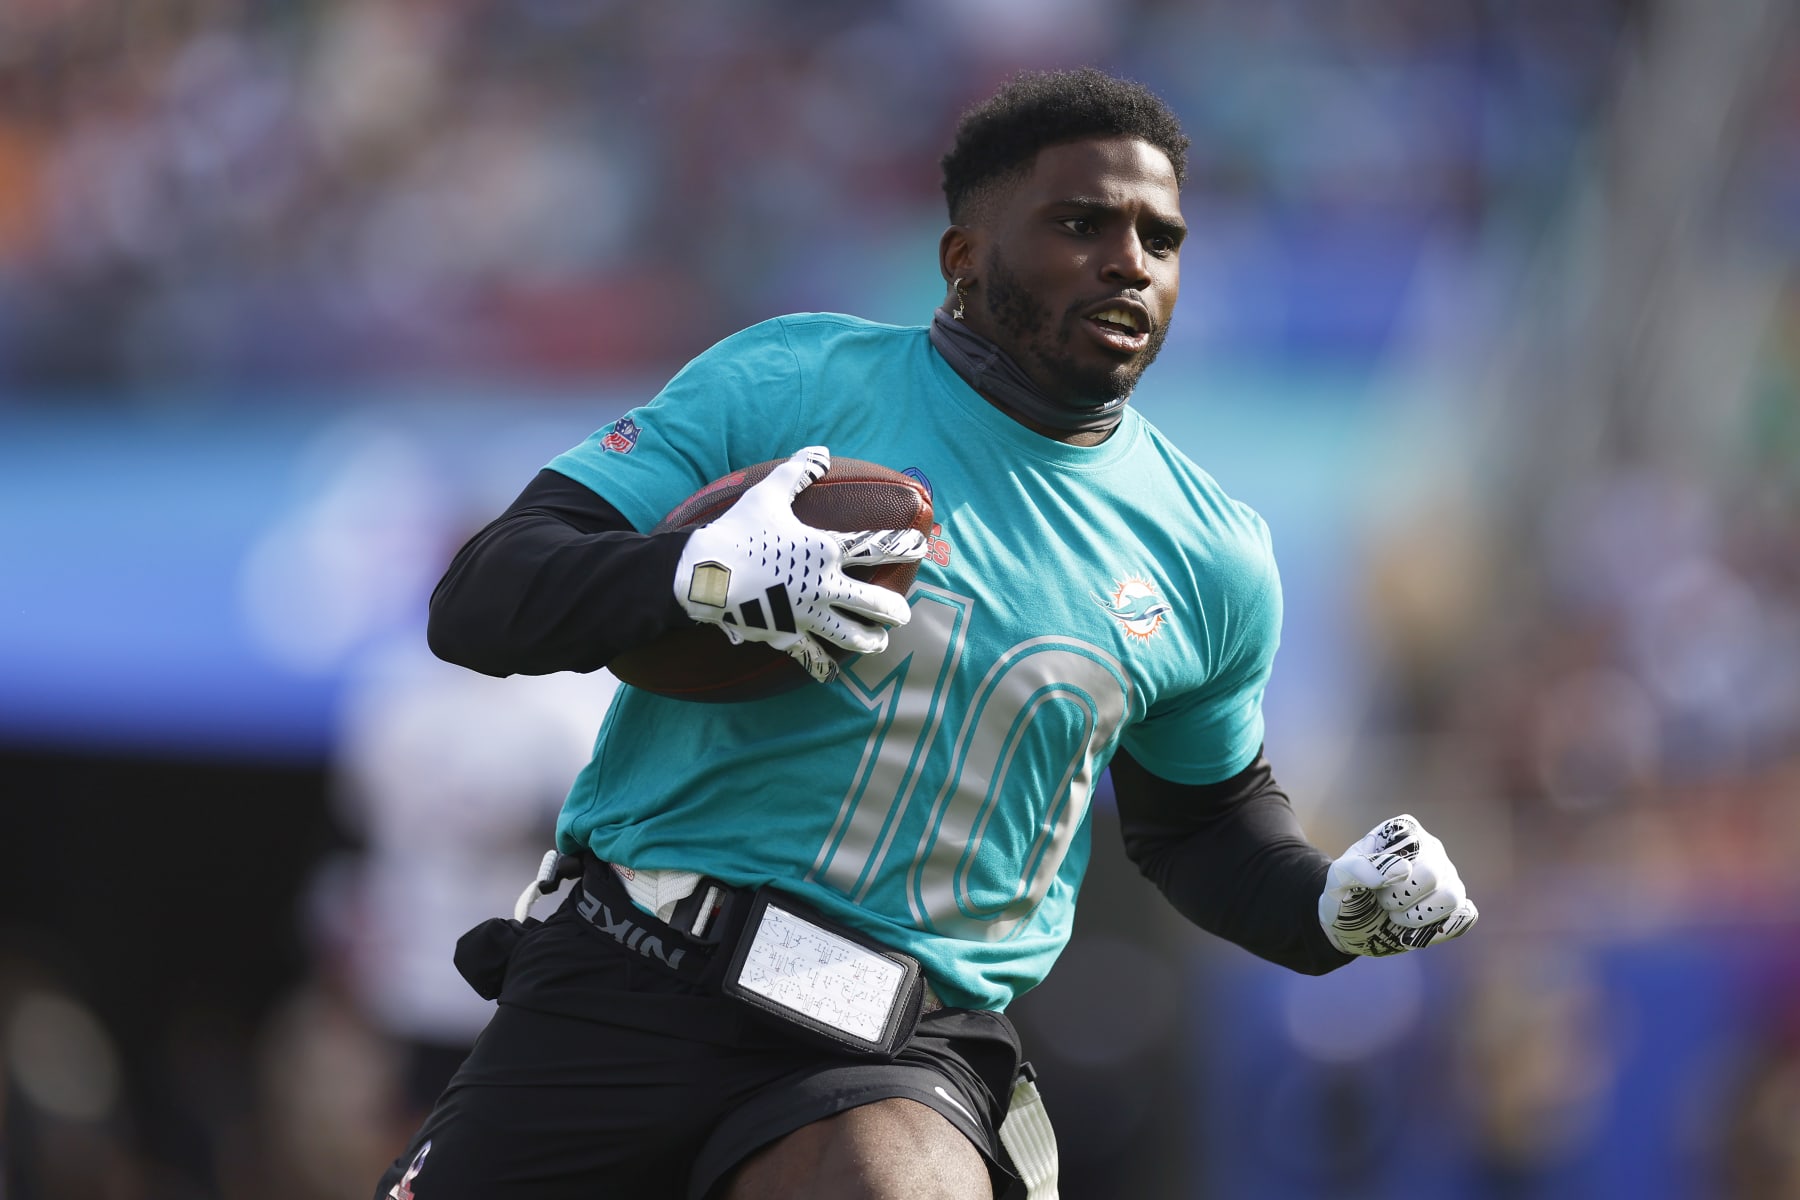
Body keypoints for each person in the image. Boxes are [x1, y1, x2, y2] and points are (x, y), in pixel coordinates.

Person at [375, 67, 1478, 1200]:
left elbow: (1200, 824)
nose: (1130, 261)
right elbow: (482, 599)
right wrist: (694, 573)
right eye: (1082, 223)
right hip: (629, 978)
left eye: (1162, 236)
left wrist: (1326, 907)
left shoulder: (1210, 555)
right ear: (962, 258)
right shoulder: (791, 379)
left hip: (894, 1050)